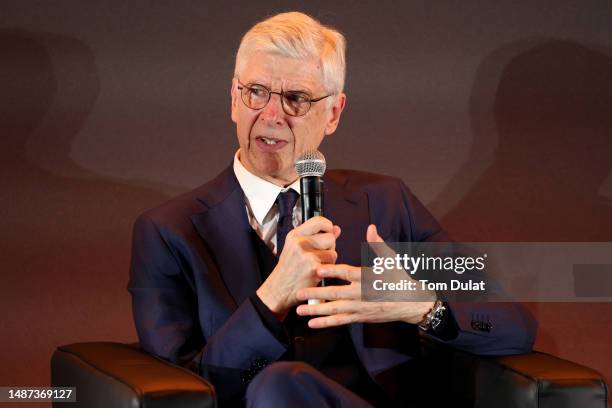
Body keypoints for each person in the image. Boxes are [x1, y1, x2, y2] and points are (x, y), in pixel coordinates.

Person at [128, 11, 537, 407]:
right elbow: (183, 394)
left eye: (296, 99)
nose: (271, 115)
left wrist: (421, 306)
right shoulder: (169, 232)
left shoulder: (385, 202)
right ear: (234, 100)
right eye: (256, 92)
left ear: (333, 114)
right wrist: (271, 297)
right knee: (280, 384)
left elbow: (513, 325)